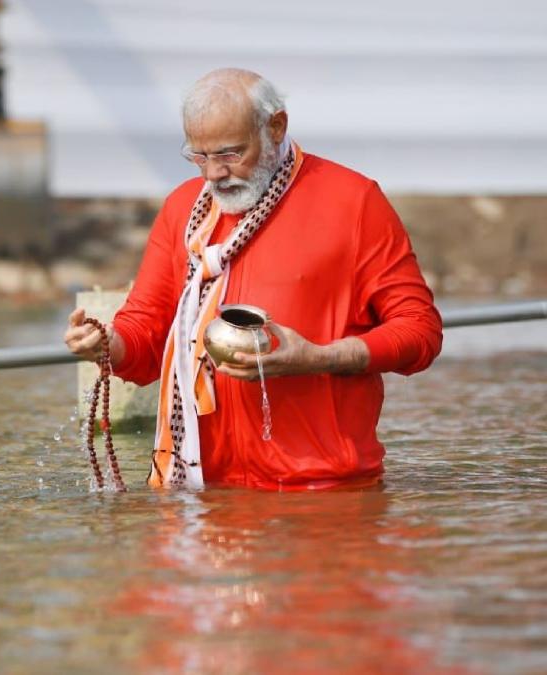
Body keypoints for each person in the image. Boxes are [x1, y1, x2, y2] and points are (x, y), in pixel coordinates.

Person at [63, 68, 442, 490]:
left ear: (276, 127)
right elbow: (148, 330)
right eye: (199, 156)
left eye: (229, 154)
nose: (212, 175)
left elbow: (421, 332)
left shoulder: (354, 201)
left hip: (320, 490)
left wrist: (318, 357)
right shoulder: (181, 209)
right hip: (197, 488)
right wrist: (107, 344)